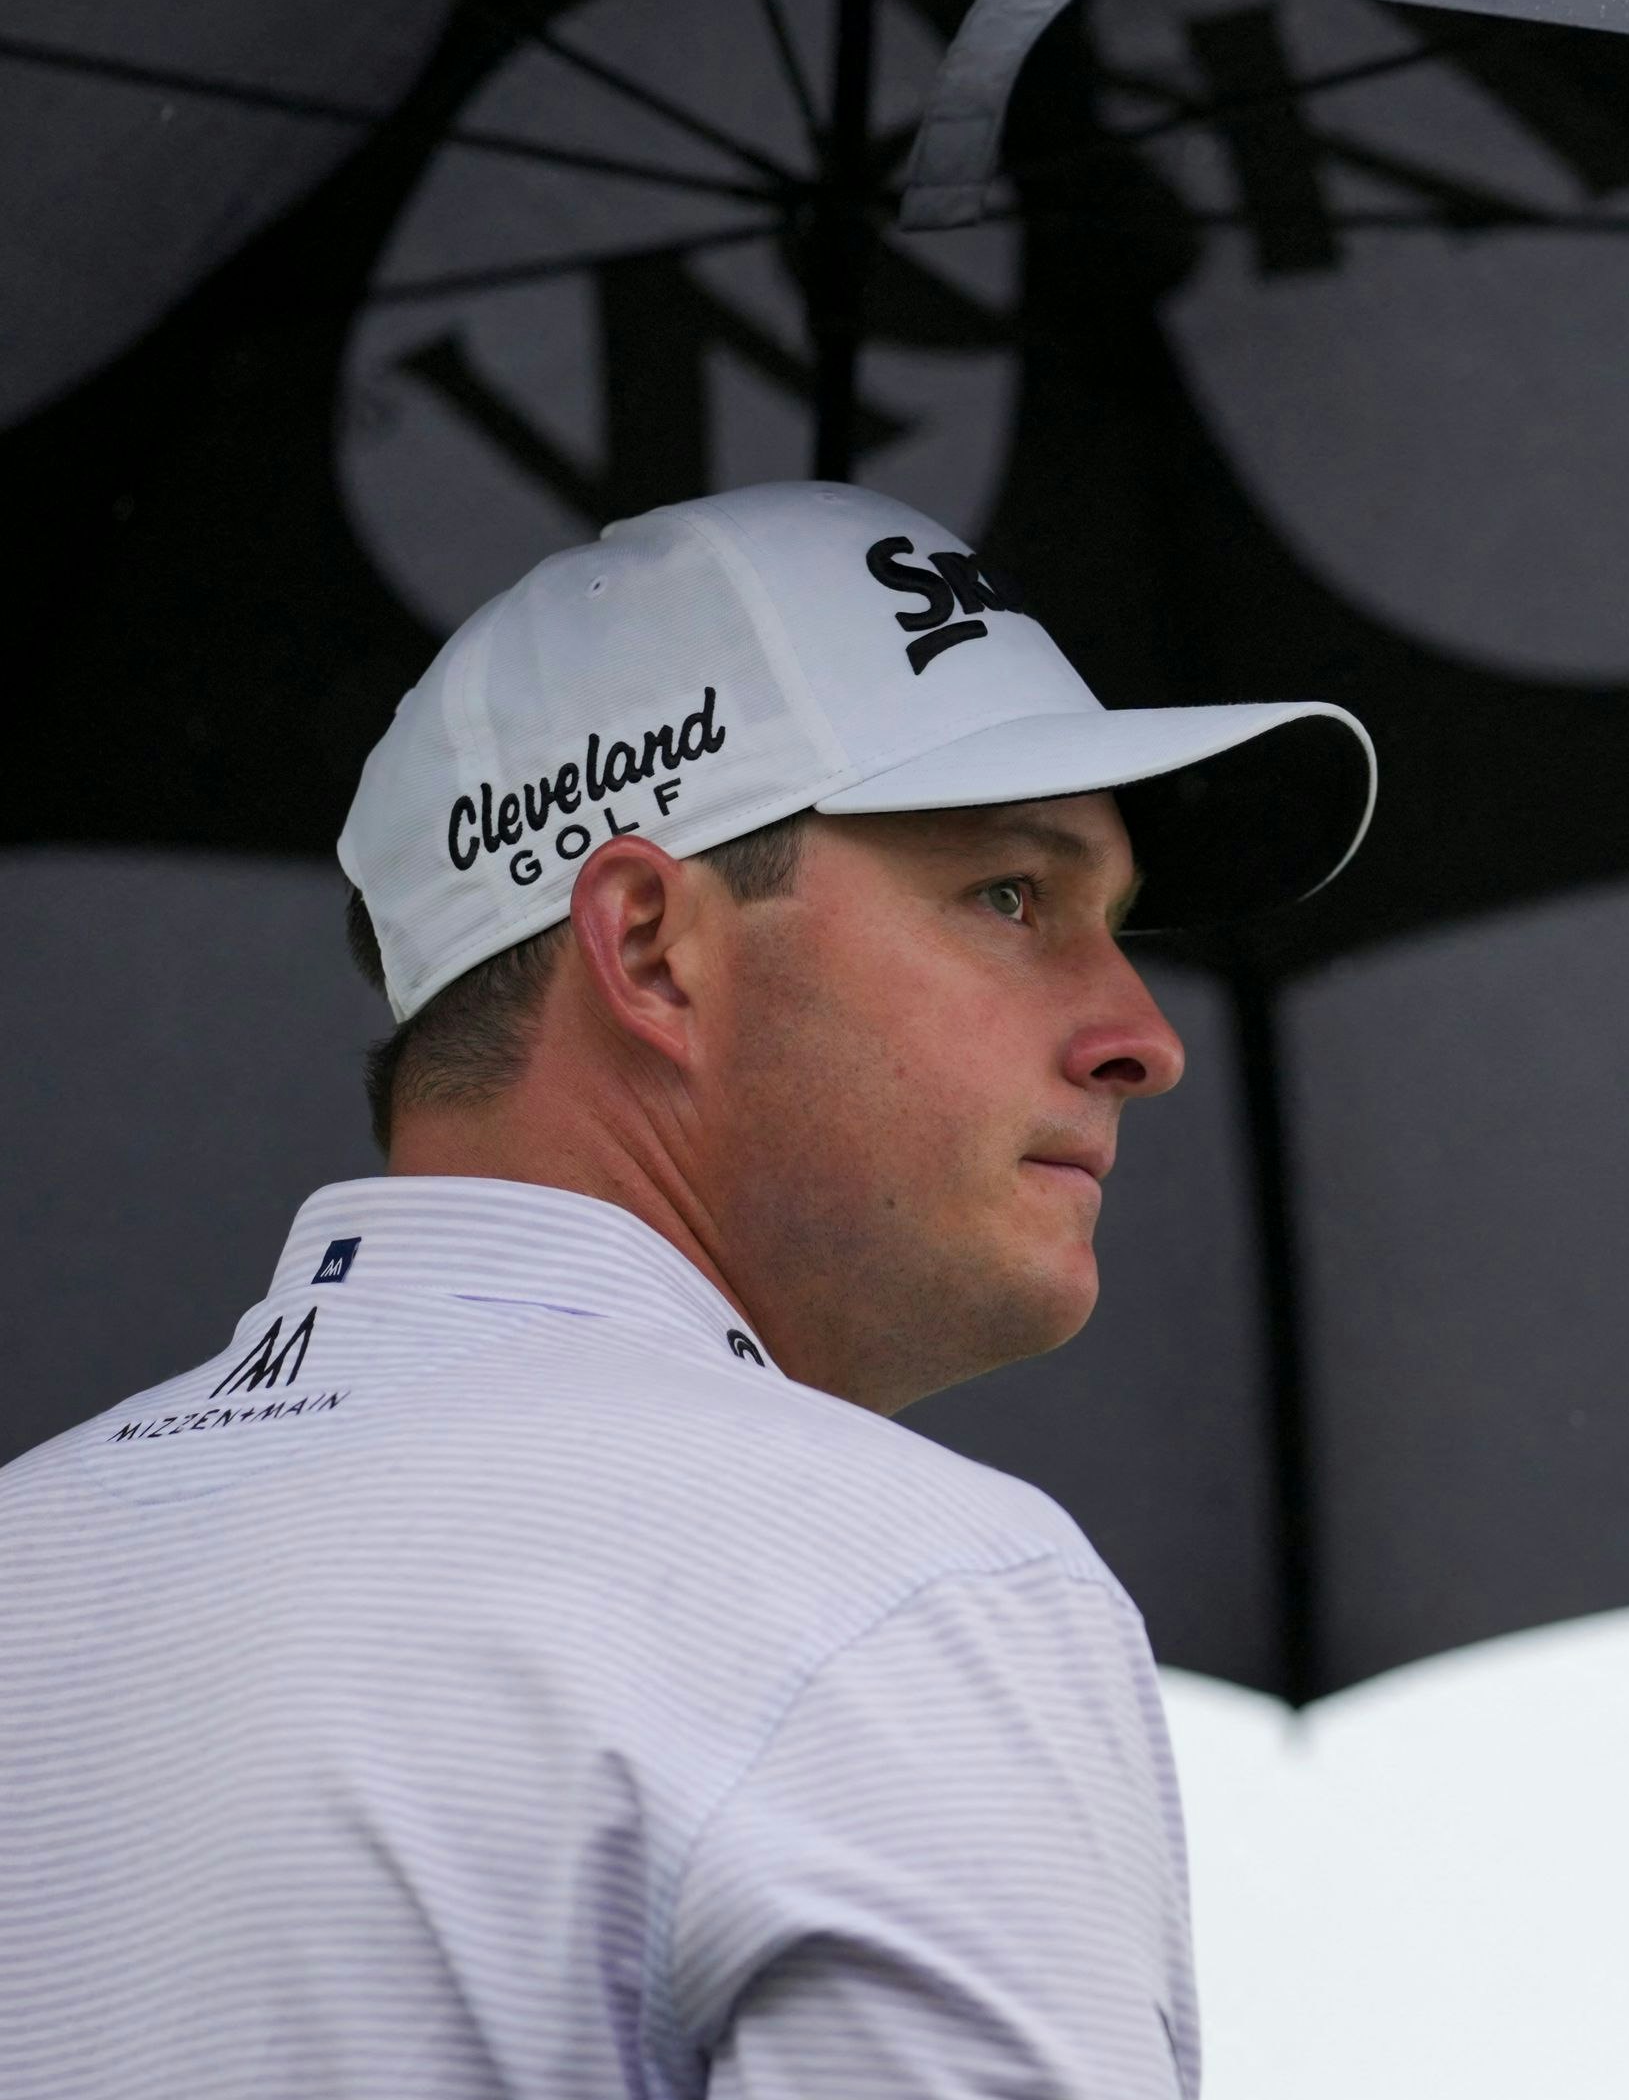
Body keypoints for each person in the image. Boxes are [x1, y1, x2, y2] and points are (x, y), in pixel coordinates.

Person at [0, 483, 1375, 2098]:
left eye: (1113, 922)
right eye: (1012, 895)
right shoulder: (908, 1590)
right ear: (649, 945)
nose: (1143, 1033)